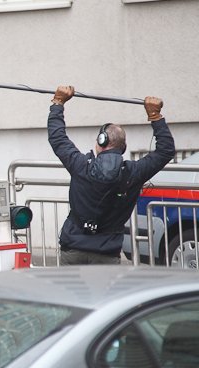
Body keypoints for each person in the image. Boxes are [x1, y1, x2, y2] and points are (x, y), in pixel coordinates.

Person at [48, 85, 175, 265]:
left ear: (101, 142)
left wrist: (58, 103)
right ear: (123, 147)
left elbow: (57, 138)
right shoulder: (133, 172)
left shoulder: (80, 165)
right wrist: (156, 117)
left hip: (73, 249)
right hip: (107, 254)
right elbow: (166, 151)